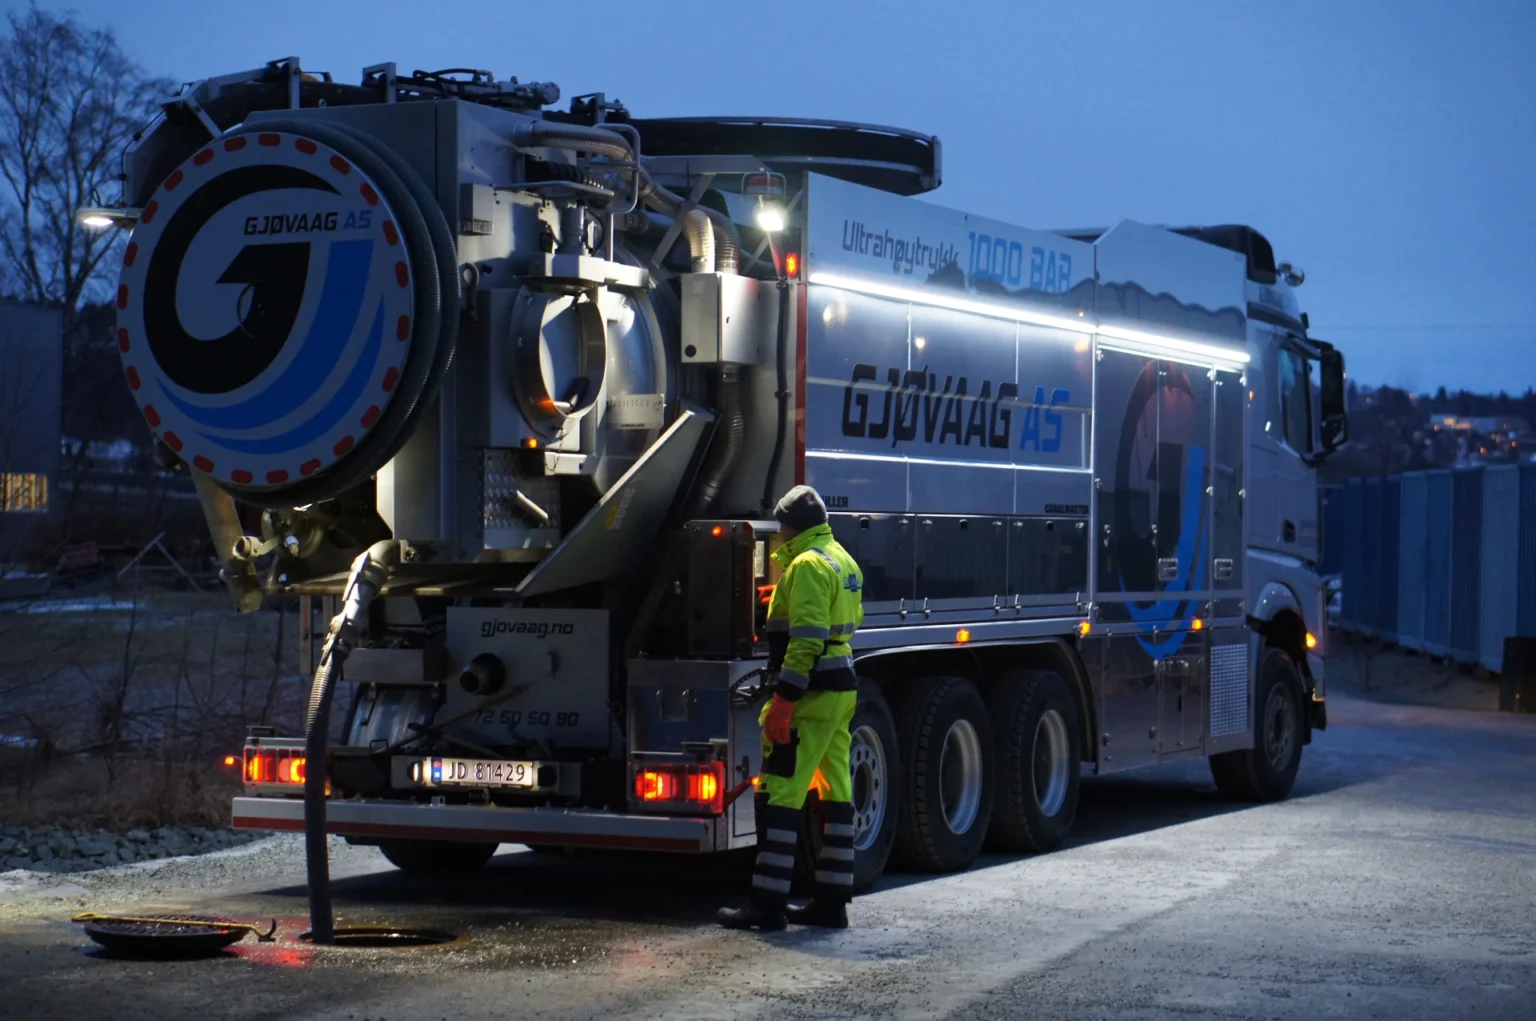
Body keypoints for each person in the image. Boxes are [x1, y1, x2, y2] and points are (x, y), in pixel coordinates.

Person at [717, 485, 864, 931]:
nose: (777, 535)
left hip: (810, 696)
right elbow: (829, 622)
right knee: (836, 792)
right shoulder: (840, 557)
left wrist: (783, 702)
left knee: (779, 794)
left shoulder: (806, 565)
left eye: (780, 526)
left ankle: (767, 904)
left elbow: (806, 641)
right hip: (840, 691)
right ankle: (832, 903)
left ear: (789, 526)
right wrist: (778, 604)